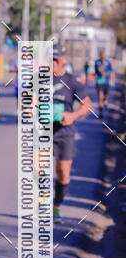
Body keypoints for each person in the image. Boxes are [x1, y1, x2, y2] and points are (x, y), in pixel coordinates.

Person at [52, 44, 91, 223]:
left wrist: (72, 116)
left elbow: (87, 105)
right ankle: (41, 200)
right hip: (42, 133)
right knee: (38, 170)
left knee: (63, 173)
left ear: (63, 60)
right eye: (50, 60)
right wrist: (29, 107)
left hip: (64, 133)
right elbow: (26, 101)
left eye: (56, 60)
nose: (53, 64)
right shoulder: (39, 80)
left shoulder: (71, 81)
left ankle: (56, 206)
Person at [94, 49, 113, 118]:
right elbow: (96, 71)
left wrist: (108, 74)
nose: (102, 57)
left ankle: (105, 99)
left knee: (106, 96)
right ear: (100, 56)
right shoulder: (97, 62)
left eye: (103, 55)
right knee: (100, 97)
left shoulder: (108, 63)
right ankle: (101, 112)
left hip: (106, 82)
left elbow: (111, 71)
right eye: (101, 55)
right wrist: (100, 74)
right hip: (99, 82)